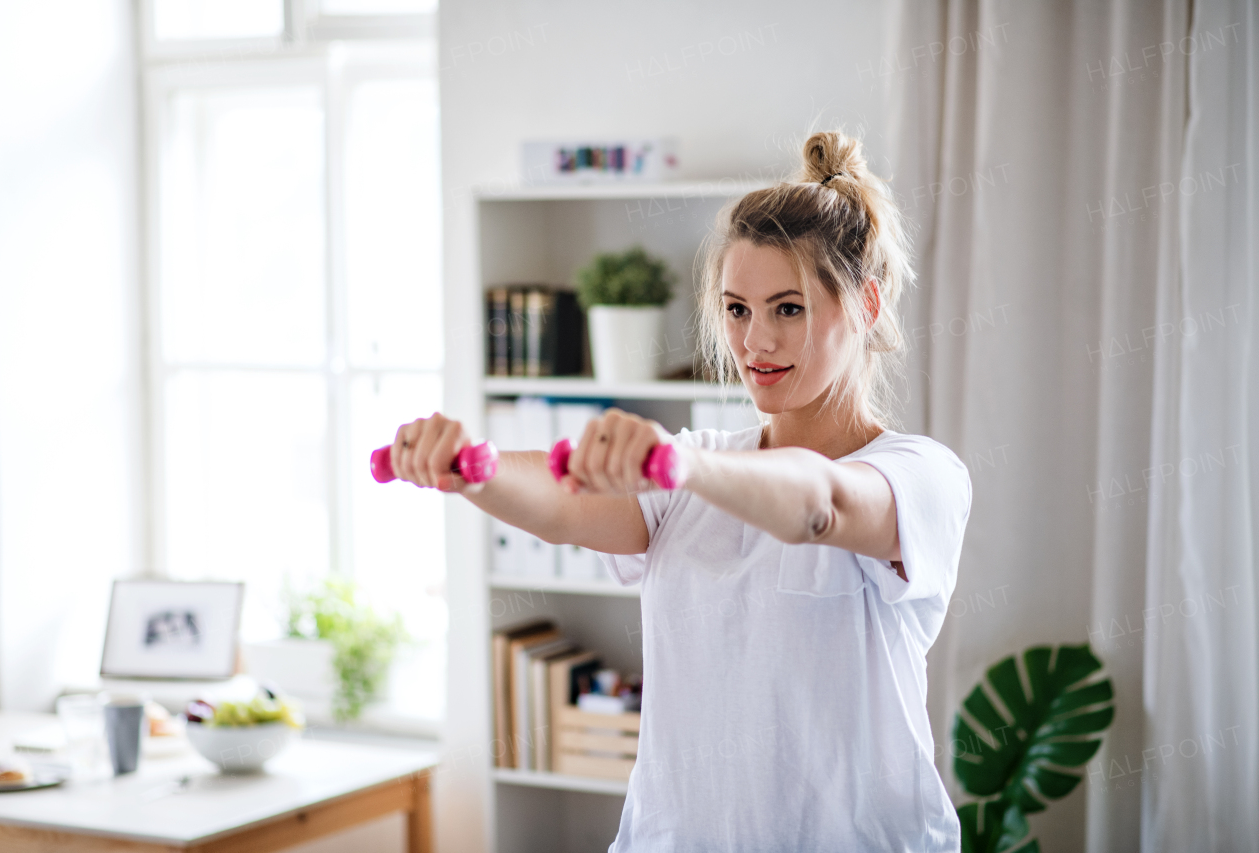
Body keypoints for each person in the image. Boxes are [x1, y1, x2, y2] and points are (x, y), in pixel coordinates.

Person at [389, 130, 971, 852]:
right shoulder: (694, 460)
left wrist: (680, 469)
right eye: (736, 309)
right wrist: (472, 467)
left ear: (865, 304)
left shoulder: (922, 475)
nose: (755, 340)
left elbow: (824, 504)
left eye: (787, 308)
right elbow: (567, 504)